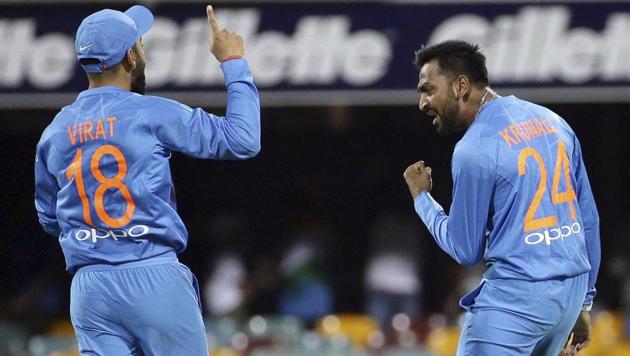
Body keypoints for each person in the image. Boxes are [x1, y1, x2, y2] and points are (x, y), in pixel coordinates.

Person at [34, 4, 260, 355]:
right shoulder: (150, 113)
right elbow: (242, 140)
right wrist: (232, 61)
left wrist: (97, 234)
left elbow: (49, 219)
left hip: (90, 289)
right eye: (139, 42)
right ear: (131, 57)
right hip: (152, 276)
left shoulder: (55, 131)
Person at [402, 40, 600, 355]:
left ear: (460, 85)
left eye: (428, 90)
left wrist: (422, 199)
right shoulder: (554, 122)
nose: (422, 103)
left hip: (515, 304)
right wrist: (584, 302)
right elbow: (587, 219)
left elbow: (465, 249)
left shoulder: (474, 147)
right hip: (568, 297)